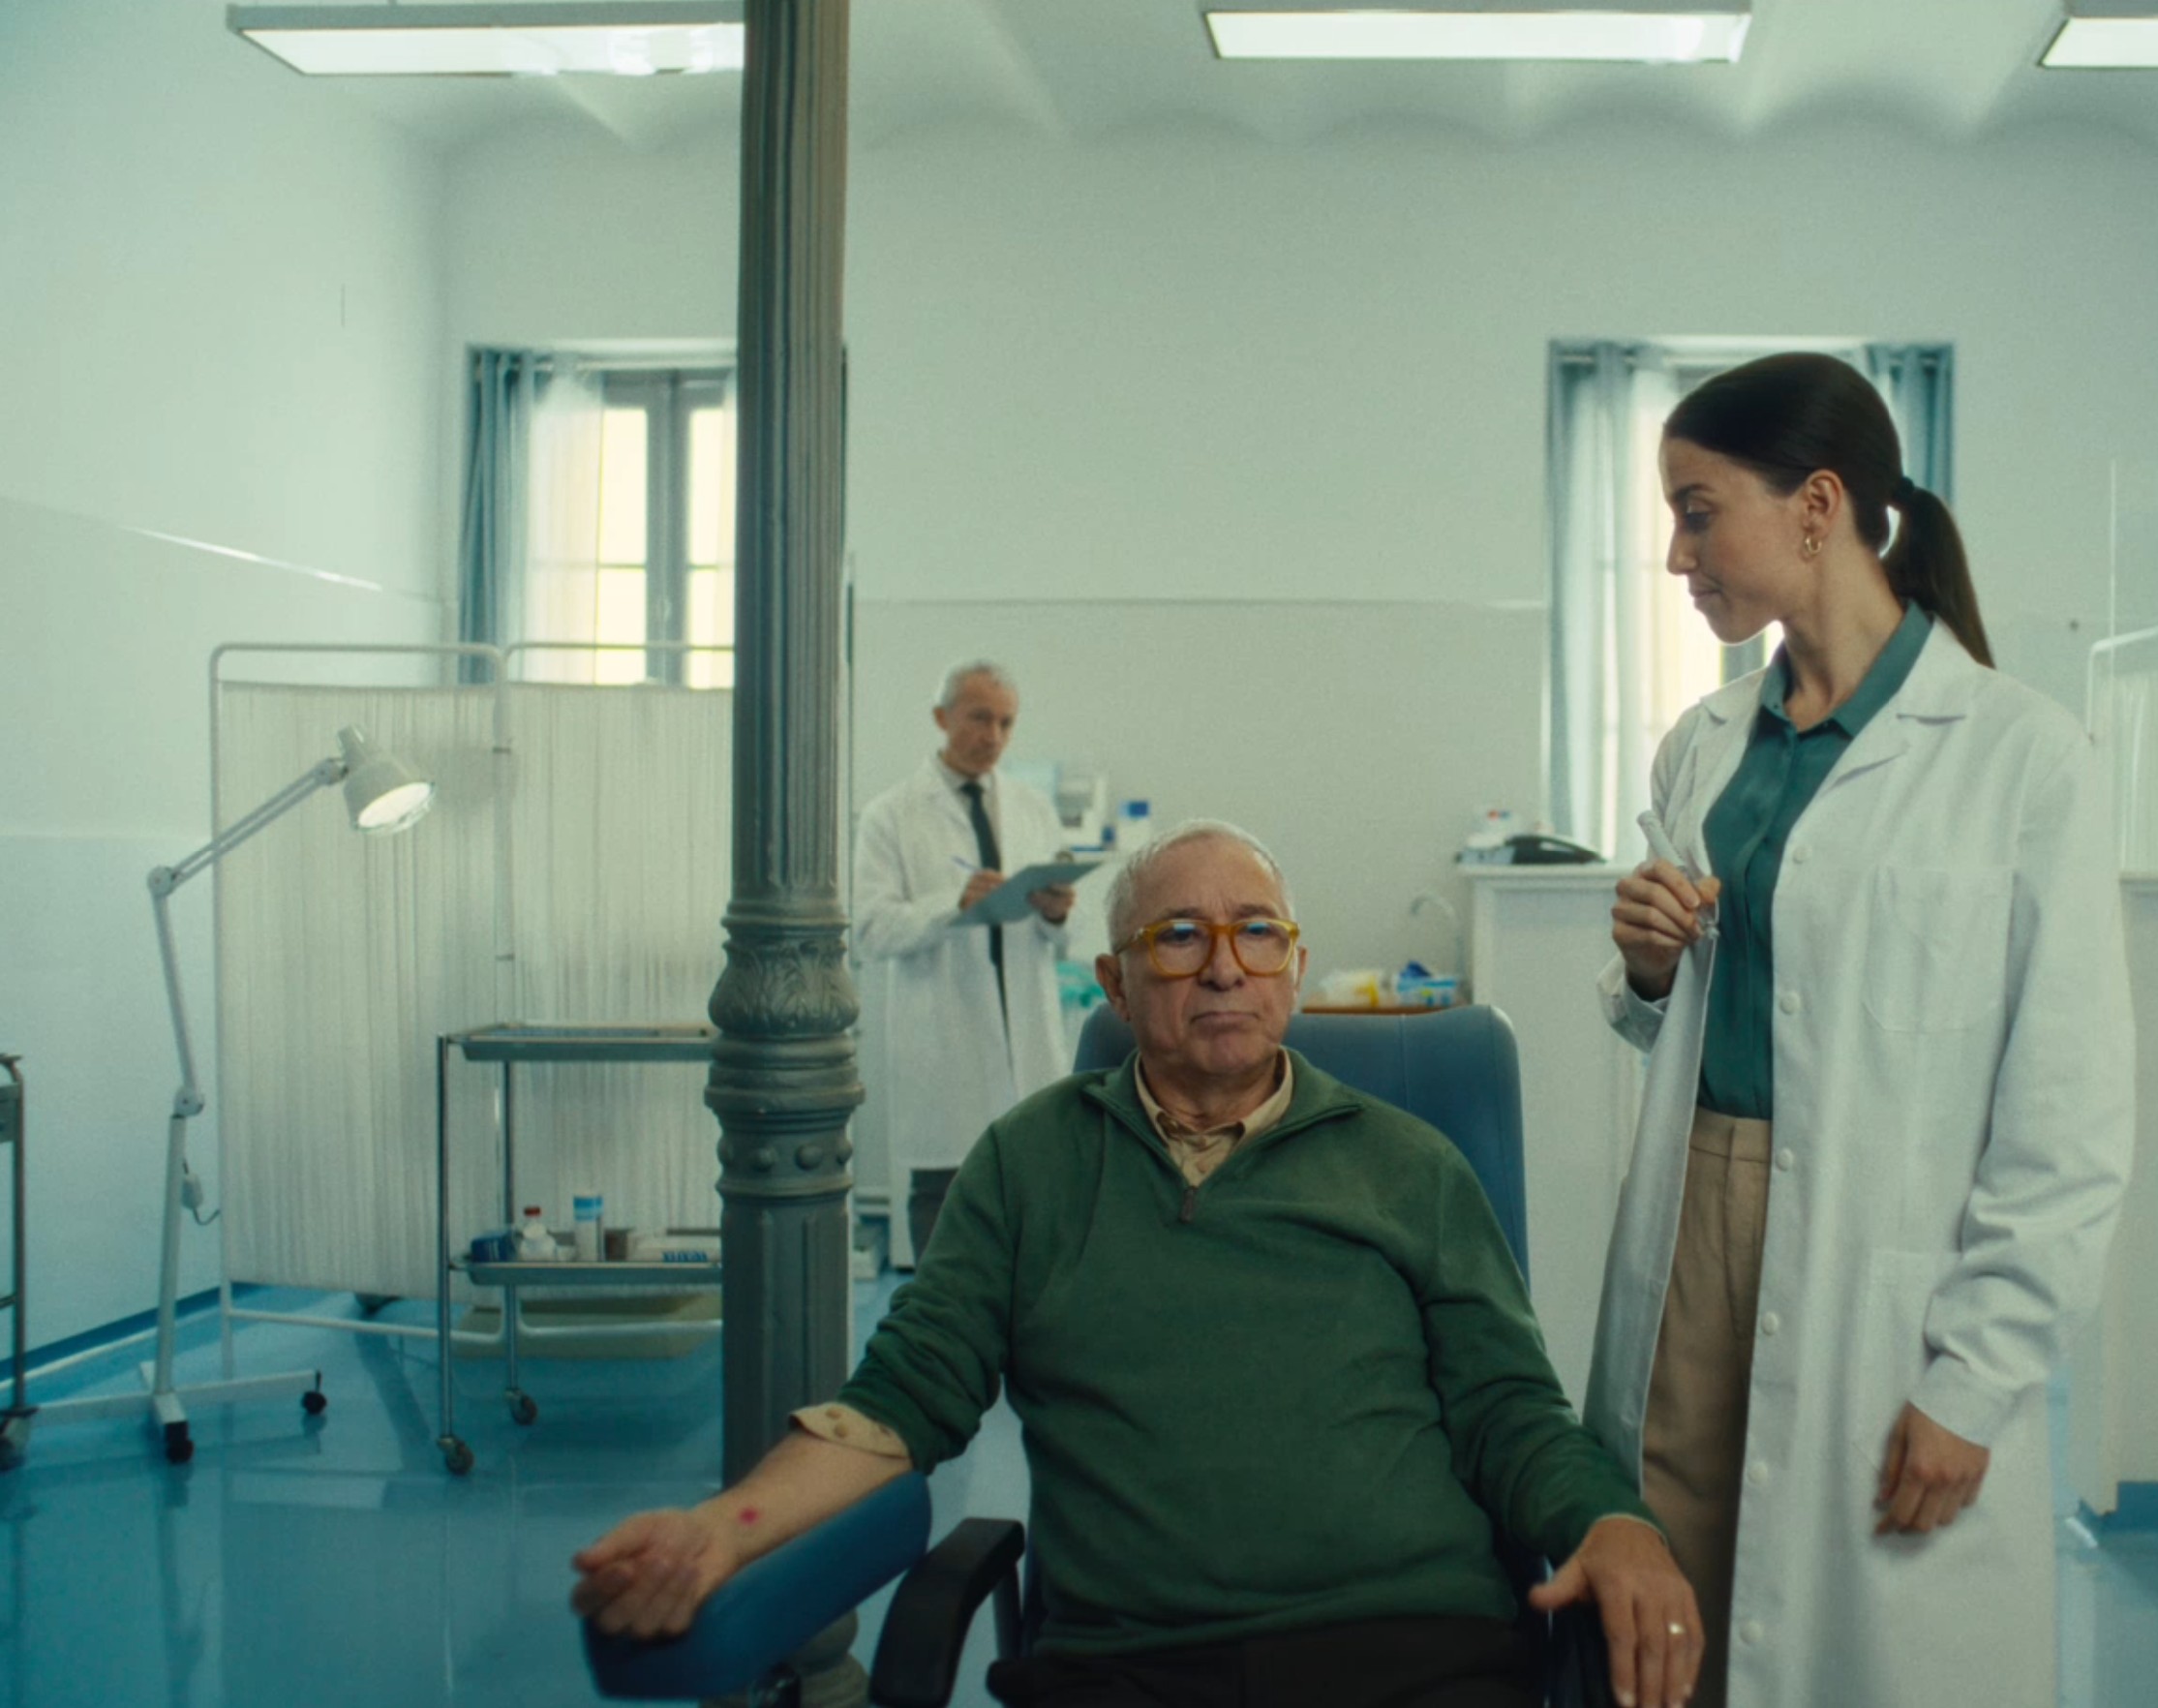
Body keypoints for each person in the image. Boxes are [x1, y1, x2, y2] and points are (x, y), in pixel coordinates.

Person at [577, 822, 1707, 1708]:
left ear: (1293, 969)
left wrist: (1615, 1527)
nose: (1222, 969)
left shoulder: (1408, 1164)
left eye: (1255, 933)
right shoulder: (1031, 1162)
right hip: (1126, 1667)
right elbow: (900, 1400)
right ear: (1114, 986)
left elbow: (1510, 1410)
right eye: (1177, 937)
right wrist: (716, 1530)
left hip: (1409, 1651)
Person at [1590, 353, 2135, 1708]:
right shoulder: (1705, 743)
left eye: (1698, 513)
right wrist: (1646, 970)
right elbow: (1679, 1015)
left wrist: (1976, 1379)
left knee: (1866, 1643)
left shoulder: (2021, 757)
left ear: (1818, 505)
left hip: (1882, 1271)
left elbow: (2067, 1112)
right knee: (1673, 1613)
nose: (1677, 556)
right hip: (1694, 1229)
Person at [855, 660, 1079, 1251]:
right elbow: (871, 930)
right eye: (980, 718)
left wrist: (1057, 912)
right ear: (941, 717)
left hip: (1024, 1036)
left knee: (1033, 1206)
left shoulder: (1033, 809)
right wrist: (950, 905)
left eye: (1006, 723)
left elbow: (1063, 940)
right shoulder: (891, 815)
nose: (994, 736)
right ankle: (941, 1313)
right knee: (945, 1209)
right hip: (944, 1048)